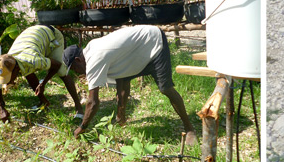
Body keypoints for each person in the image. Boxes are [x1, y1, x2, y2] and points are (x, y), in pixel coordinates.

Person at [63, 25, 197, 145]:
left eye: (75, 68)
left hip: (153, 41)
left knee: (165, 88)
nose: (77, 72)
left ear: (78, 60)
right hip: (135, 51)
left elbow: (93, 103)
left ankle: (189, 128)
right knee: (122, 82)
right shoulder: (90, 48)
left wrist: (82, 127)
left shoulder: (93, 59)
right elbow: (119, 71)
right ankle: (121, 118)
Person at [0, 24, 83, 119]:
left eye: (8, 77)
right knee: (28, 71)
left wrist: (43, 83)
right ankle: (44, 102)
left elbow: (57, 65)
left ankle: (79, 108)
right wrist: (1, 108)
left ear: (16, 69)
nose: (7, 81)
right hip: (31, 35)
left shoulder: (33, 61)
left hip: (52, 35)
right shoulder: (3, 63)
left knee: (62, 73)